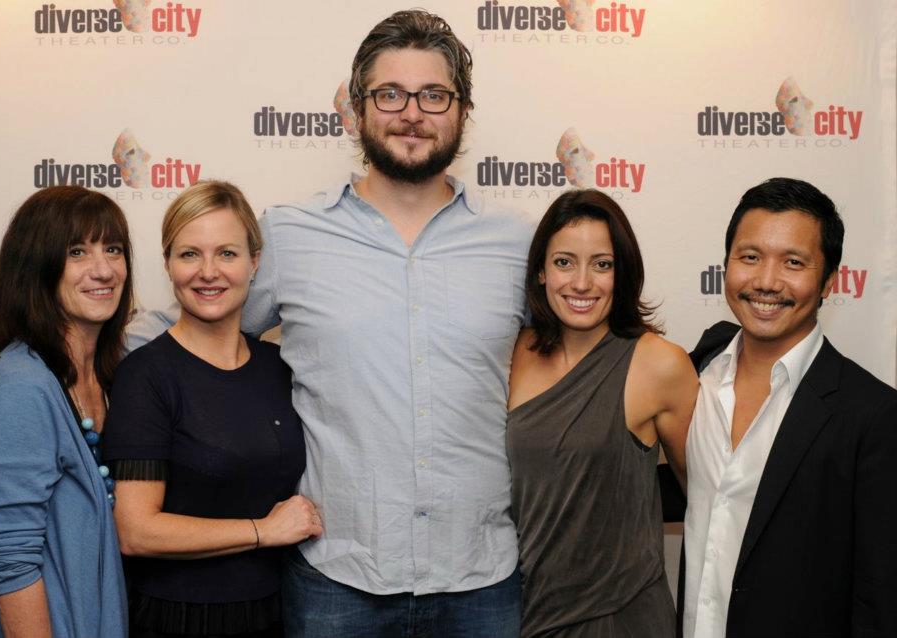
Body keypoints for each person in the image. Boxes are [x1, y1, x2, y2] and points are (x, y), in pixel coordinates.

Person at [128, 10, 534, 637]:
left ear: (462, 110)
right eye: (390, 94)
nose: (411, 113)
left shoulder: (515, 243)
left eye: (434, 95)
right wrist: (78, 364)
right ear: (357, 109)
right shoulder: (291, 235)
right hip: (337, 583)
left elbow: (580, 355)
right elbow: (200, 327)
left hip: (480, 580)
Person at [680, 177, 897, 638]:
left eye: (793, 262)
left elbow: (879, 596)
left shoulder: (872, 415)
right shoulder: (696, 371)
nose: (766, 281)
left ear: (829, 281)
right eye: (750, 257)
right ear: (726, 263)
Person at [102, 181, 320, 638]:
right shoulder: (146, 375)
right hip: (178, 618)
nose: (208, 272)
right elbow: (135, 530)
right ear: (167, 263)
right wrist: (262, 530)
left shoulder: (278, 367)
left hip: (277, 612)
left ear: (254, 262)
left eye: (227, 253)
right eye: (189, 254)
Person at [507, 190, 697, 637]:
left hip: (621, 616)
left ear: (622, 272)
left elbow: (707, 497)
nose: (581, 283)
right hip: (526, 612)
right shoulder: (515, 351)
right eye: (564, 262)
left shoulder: (659, 364)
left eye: (602, 264)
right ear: (540, 271)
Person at [0, 186, 131, 638]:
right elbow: (9, 562)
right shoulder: (20, 388)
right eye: (77, 252)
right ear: (36, 267)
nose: (104, 269)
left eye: (113, 249)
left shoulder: (109, 376)